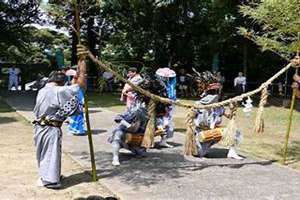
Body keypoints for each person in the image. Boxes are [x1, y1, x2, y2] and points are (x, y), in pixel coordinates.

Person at [33, 60, 87, 189]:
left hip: (40, 127)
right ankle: (50, 180)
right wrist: (83, 70)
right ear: (61, 82)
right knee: (51, 152)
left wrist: (78, 71)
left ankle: (49, 176)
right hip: (49, 128)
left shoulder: (44, 90)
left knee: (45, 153)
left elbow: (71, 89)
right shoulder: (57, 91)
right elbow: (78, 88)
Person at [193, 85, 243, 160]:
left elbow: (229, 116)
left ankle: (232, 152)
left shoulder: (219, 107)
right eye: (213, 92)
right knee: (199, 153)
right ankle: (201, 148)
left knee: (236, 132)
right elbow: (190, 120)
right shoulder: (198, 105)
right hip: (200, 134)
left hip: (213, 133)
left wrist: (233, 107)